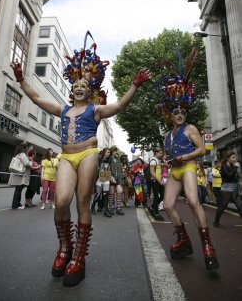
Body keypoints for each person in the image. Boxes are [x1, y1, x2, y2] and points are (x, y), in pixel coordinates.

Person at [10, 30, 151, 287]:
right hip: (66, 156)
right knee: (62, 201)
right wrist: (20, 80)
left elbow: (119, 107)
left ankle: (78, 257)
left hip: (88, 154)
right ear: (71, 89)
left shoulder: (96, 110)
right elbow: (36, 98)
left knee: (82, 203)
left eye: (83, 86)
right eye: (75, 86)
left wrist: (135, 85)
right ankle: (65, 248)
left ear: (90, 91)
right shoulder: (62, 109)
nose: (78, 89)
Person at [157, 46, 219, 271]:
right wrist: (166, 159)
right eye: (176, 112)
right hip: (174, 171)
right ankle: (184, 240)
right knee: (168, 204)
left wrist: (185, 156)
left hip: (189, 167)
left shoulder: (191, 128)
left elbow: (202, 150)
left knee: (193, 201)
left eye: (183, 112)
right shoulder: (167, 135)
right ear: (170, 115)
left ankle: (208, 247)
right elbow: (169, 155)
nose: (180, 115)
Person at [213, 152, 242, 228]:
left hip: (234, 188)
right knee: (223, 205)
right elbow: (229, 175)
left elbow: (237, 176)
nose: (234, 159)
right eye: (233, 157)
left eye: (235, 157)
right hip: (226, 187)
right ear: (228, 158)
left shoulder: (233, 165)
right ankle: (216, 222)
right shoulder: (224, 166)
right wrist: (236, 167)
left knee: (240, 205)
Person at [8, 141, 33, 209]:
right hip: (20, 175)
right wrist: (30, 163)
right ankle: (16, 204)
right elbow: (26, 164)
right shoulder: (22, 154)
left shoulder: (18, 154)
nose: (27, 150)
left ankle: (16, 204)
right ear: (24, 149)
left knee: (18, 189)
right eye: (27, 148)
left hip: (17, 174)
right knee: (18, 190)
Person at [91, 148, 112, 217]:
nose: (109, 153)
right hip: (99, 180)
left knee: (106, 195)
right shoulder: (99, 158)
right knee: (98, 194)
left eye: (109, 152)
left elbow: (109, 169)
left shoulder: (109, 159)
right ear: (104, 152)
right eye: (108, 152)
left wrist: (111, 177)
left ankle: (106, 211)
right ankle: (93, 207)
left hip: (106, 178)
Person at [148, 148, 165, 221]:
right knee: (156, 197)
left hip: (159, 181)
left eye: (162, 153)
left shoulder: (159, 160)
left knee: (163, 195)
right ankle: (156, 213)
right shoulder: (153, 161)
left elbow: (159, 171)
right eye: (160, 153)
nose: (161, 155)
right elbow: (152, 172)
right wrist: (159, 180)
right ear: (156, 153)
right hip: (155, 181)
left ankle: (152, 207)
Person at [108, 146, 125, 215]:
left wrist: (122, 174)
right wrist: (110, 177)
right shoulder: (109, 159)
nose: (116, 152)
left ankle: (119, 208)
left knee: (119, 192)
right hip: (111, 178)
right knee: (111, 193)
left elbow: (120, 168)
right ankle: (111, 208)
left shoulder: (118, 158)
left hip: (118, 178)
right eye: (115, 151)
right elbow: (106, 168)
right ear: (112, 152)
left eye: (116, 151)